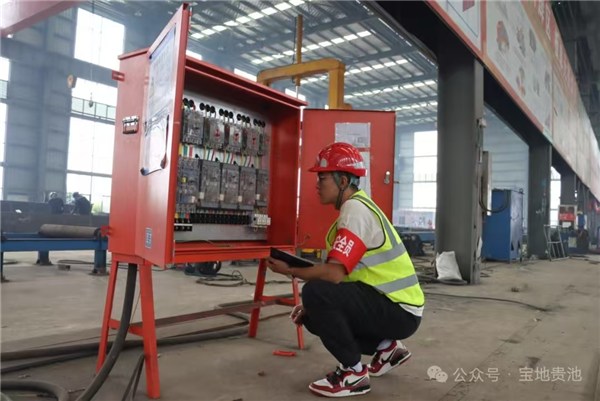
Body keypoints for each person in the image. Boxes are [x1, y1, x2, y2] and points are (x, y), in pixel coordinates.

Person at [266, 142, 424, 398]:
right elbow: (343, 276)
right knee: (313, 312)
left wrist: (291, 270)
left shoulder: (355, 210)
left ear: (342, 181)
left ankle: (353, 374)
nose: (317, 184)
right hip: (399, 308)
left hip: (398, 310)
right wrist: (311, 308)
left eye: (322, 178)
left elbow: (334, 274)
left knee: (315, 292)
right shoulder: (358, 207)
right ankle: (387, 349)